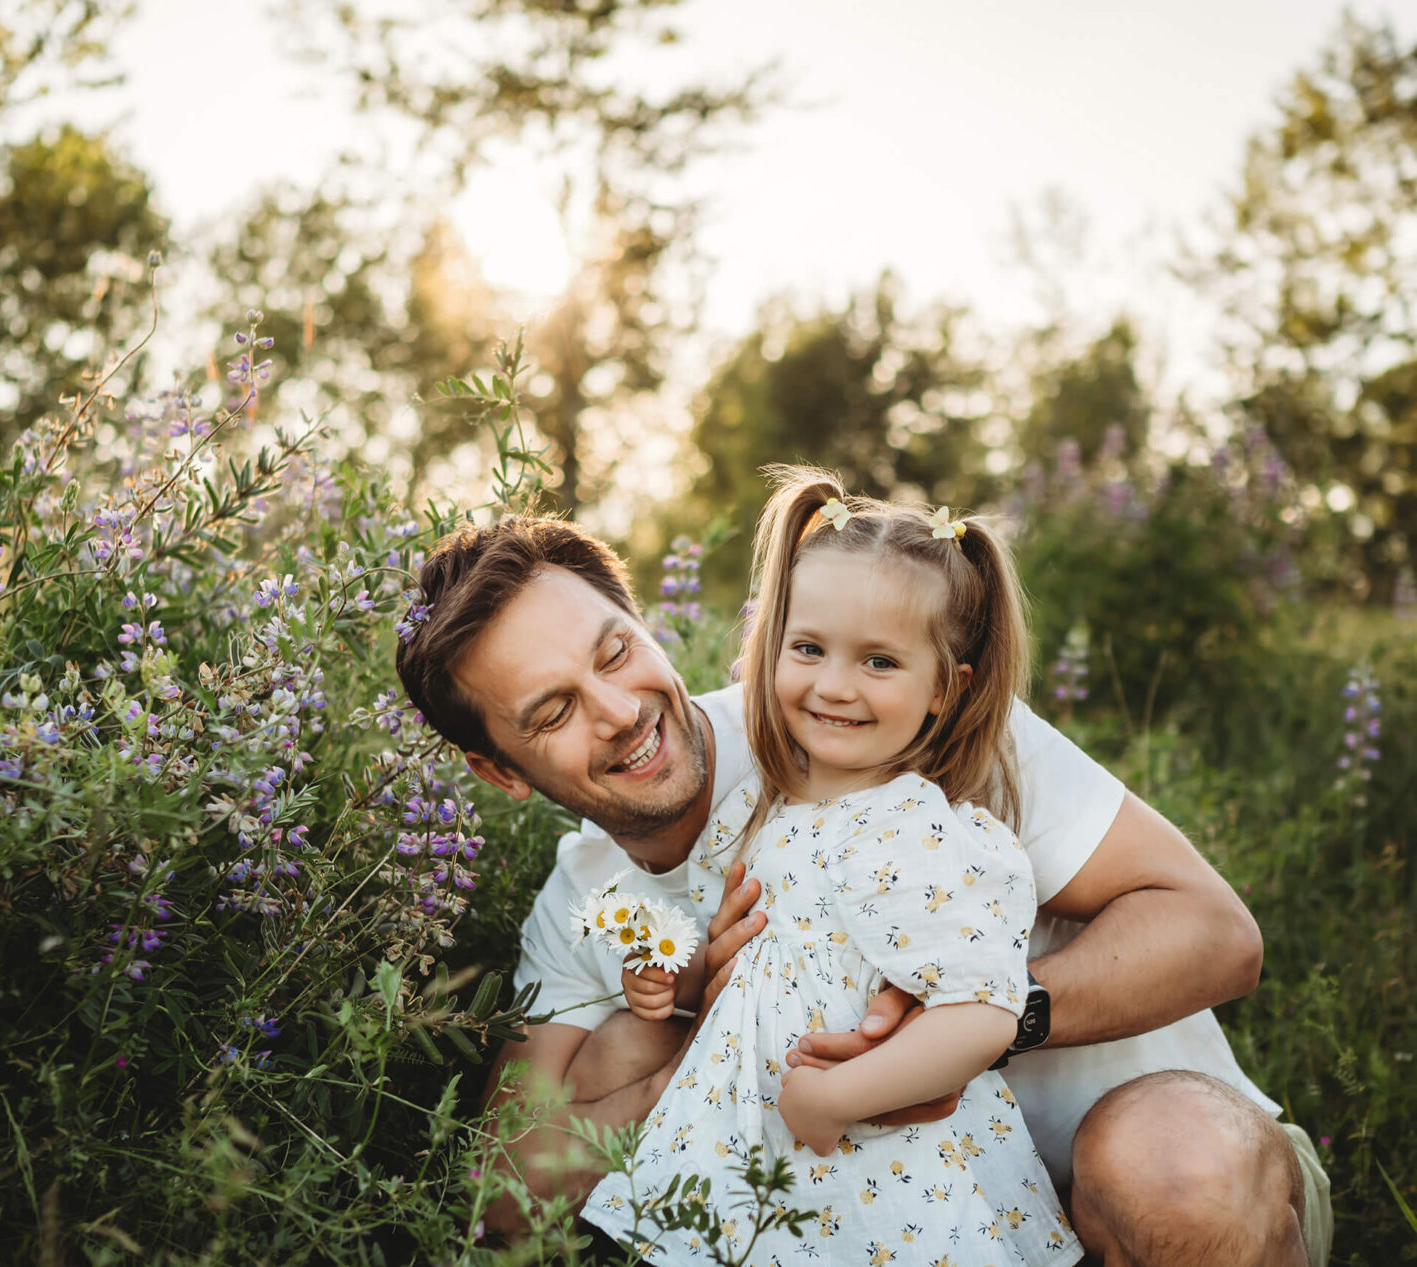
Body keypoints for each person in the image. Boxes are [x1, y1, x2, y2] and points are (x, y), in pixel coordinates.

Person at [393, 497, 1333, 1266]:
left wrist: (962, 1030)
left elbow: (1217, 932)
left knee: (1164, 1170)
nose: (619, 710)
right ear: (501, 772)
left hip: (1165, 1197)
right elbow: (503, 1185)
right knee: (611, 1046)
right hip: (910, 1233)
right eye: (554, 710)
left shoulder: (875, 718)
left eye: (614, 652)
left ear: (646, 626)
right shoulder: (585, 899)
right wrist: (710, 1053)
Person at [583, 471, 1078, 1262]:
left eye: (879, 662)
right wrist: (669, 976)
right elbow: (736, 969)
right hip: (741, 1149)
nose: (834, 685)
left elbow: (982, 1008)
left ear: (946, 691)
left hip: (879, 1166)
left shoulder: (921, 829)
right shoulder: (760, 806)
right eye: (809, 648)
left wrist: (839, 1095)